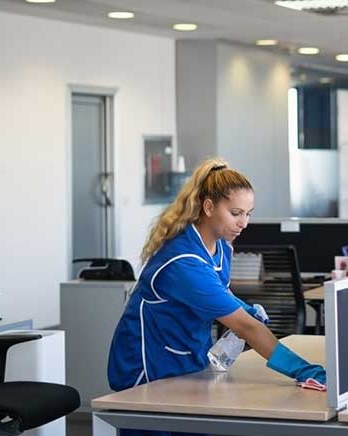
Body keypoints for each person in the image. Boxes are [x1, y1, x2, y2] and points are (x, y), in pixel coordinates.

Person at [107, 158, 324, 436]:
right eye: (236, 213)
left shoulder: (221, 246)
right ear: (208, 207)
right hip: (150, 369)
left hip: (188, 360)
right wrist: (302, 370)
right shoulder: (183, 262)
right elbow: (245, 327)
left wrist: (242, 306)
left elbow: (216, 294)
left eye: (249, 213)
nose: (244, 222)